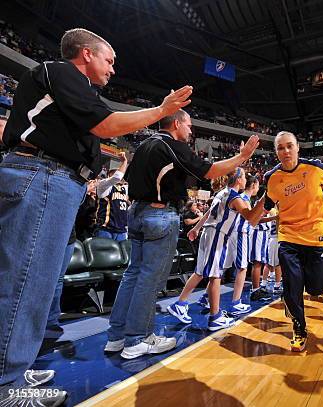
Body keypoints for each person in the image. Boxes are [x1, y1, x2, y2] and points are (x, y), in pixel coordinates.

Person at [0, 27, 191, 405]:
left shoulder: (76, 91)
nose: (113, 70)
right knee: (25, 282)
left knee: (37, 284)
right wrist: (162, 111)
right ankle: (6, 383)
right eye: (109, 60)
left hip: (51, 179)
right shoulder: (61, 71)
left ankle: (14, 366)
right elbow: (106, 125)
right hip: (41, 175)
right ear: (85, 54)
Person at [105, 110, 259, 358]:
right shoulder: (171, 145)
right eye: (188, 126)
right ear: (176, 124)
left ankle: (116, 337)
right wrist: (242, 156)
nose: (190, 131)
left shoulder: (144, 144)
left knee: (133, 275)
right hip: (159, 214)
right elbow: (209, 171)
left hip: (137, 212)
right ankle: (137, 339)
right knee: (149, 280)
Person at [262, 131, 323, 352]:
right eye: (280, 148)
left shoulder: (314, 168)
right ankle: (299, 327)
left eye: (289, 146)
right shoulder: (271, 178)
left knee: (316, 288)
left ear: (298, 147)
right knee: (292, 285)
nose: (286, 151)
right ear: (276, 152)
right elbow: (265, 204)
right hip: (288, 237)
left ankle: (296, 297)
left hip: (316, 236)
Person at [166, 167, 265, 329]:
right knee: (215, 275)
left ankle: (181, 303)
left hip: (209, 232)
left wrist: (197, 228)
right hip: (217, 234)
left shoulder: (222, 192)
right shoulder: (234, 197)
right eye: (244, 178)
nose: (246, 181)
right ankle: (215, 316)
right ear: (239, 180)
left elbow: (208, 213)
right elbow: (252, 219)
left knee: (200, 272)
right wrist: (265, 200)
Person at [94, 152, 130, 241]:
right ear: (109, 174)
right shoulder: (103, 185)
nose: (120, 176)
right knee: (102, 255)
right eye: (113, 172)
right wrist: (124, 161)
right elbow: (117, 177)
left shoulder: (125, 188)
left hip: (122, 231)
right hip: (105, 230)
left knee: (121, 255)